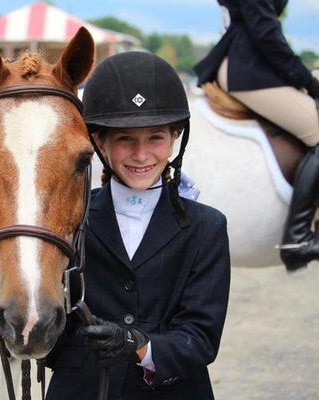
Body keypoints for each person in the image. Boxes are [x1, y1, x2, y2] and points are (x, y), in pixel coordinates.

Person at [45, 52, 231, 400]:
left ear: (174, 138)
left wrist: (138, 346)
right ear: (100, 143)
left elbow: (202, 339)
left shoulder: (207, 227)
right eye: (126, 139)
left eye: (155, 138)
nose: (142, 155)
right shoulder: (69, 217)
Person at [194, 0, 319, 271]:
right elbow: (265, 31)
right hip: (250, 69)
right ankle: (298, 237)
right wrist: (306, 80)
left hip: (252, 65)